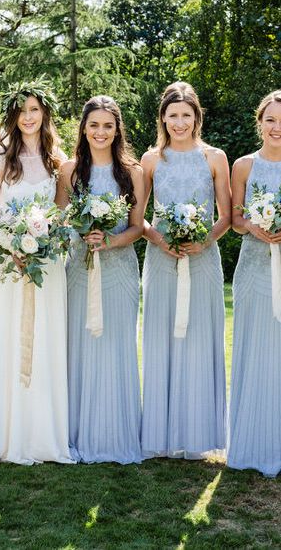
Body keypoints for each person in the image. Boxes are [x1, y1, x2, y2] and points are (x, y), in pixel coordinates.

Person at [0, 79, 73, 467]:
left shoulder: (57, 160)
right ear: (12, 116)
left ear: (44, 113)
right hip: (6, 266)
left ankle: (42, 437)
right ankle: (4, 436)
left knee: (45, 341)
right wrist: (10, 243)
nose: (28, 117)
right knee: (5, 338)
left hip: (46, 264)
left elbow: (60, 214)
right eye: (21, 110)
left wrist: (43, 241)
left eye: (34, 110)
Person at [140, 81, 231, 459]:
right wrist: (161, 241)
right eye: (172, 115)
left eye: (186, 115)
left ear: (197, 117)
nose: (179, 122)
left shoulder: (214, 157)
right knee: (161, 340)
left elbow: (228, 216)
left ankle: (197, 435)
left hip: (203, 258)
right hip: (162, 260)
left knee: (198, 339)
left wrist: (204, 240)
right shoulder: (151, 159)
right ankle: (161, 436)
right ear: (163, 118)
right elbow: (137, 218)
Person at [56, 96, 144, 464]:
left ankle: (116, 433)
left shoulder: (133, 171)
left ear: (117, 130)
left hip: (120, 267)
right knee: (80, 346)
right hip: (79, 267)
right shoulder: (70, 170)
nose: (100, 132)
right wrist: (80, 231)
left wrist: (111, 240)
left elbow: (138, 227)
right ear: (83, 128)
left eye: (108, 126)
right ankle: (79, 432)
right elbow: (60, 220)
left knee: (116, 344)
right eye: (94, 125)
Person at [227, 89, 281, 477]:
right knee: (255, 345)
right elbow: (234, 219)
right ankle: (250, 441)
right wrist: (258, 228)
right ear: (259, 122)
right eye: (271, 120)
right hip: (253, 265)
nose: (277, 128)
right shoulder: (243, 165)